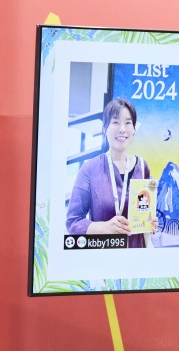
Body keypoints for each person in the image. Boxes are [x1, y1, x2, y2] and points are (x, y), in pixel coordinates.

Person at [65, 97, 156, 248]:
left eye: (128, 123)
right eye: (115, 122)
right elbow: (73, 222)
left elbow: (144, 211)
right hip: (103, 257)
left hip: (137, 257)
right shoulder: (90, 168)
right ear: (104, 128)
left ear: (134, 129)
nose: (122, 129)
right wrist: (104, 227)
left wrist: (149, 222)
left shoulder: (142, 166)